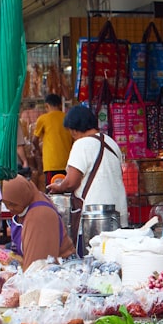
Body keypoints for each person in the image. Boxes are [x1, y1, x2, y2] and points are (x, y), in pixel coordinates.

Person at [47, 105, 127, 250]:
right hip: (118, 215)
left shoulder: (82, 144)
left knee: (94, 264)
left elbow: (71, 182)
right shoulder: (111, 143)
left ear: (75, 128)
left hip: (94, 219)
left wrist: (59, 187)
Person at [0, 175, 75, 270]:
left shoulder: (39, 217)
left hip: (61, 273)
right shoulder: (29, 201)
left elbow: (36, 269)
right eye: (6, 204)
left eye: (13, 204)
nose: (9, 209)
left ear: (22, 196)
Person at [32, 94, 72, 187]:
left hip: (51, 163)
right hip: (68, 162)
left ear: (46, 105)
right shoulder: (67, 118)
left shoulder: (43, 119)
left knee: (52, 190)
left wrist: (39, 151)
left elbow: (34, 140)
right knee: (67, 190)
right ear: (59, 104)